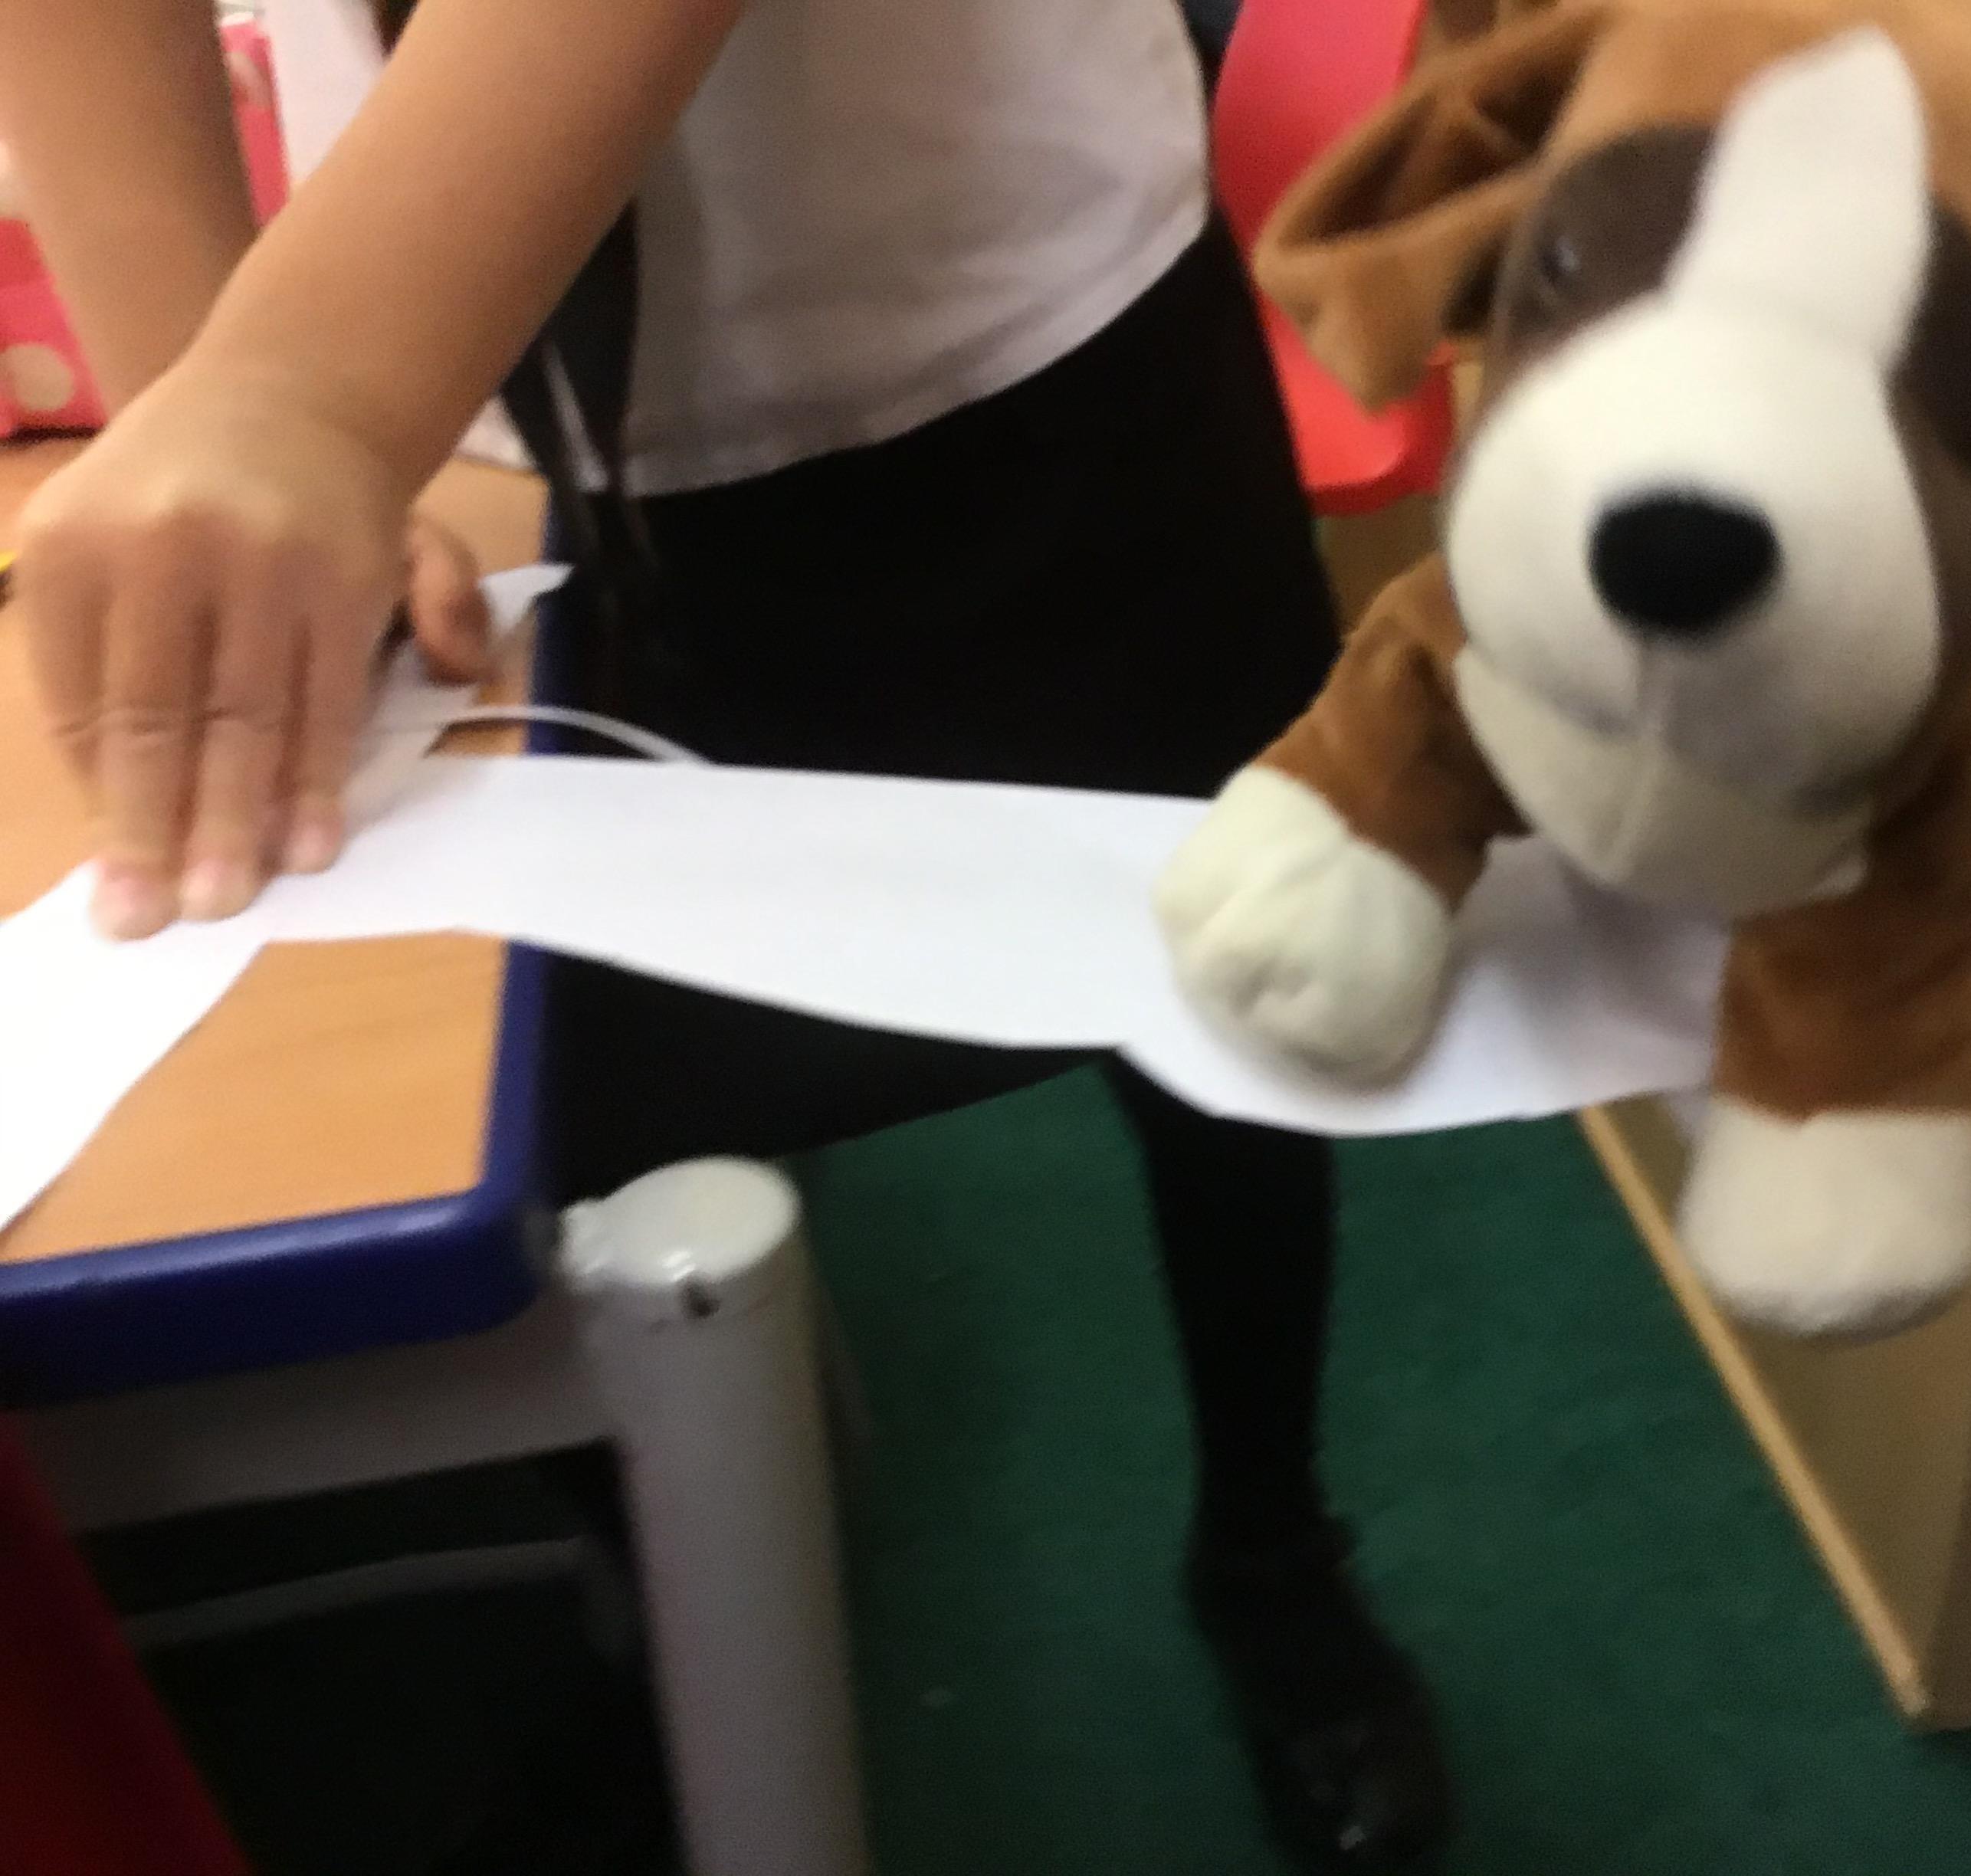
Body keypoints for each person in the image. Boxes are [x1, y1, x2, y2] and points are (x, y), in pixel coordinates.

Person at [0, 0, 1452, 1866]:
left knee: (1225, 997)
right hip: (481, 411)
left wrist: (300, 393)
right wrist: (203, 386)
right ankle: (664, 1611)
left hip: (1004, 306)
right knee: (545, 1103)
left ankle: (1270, 1543)